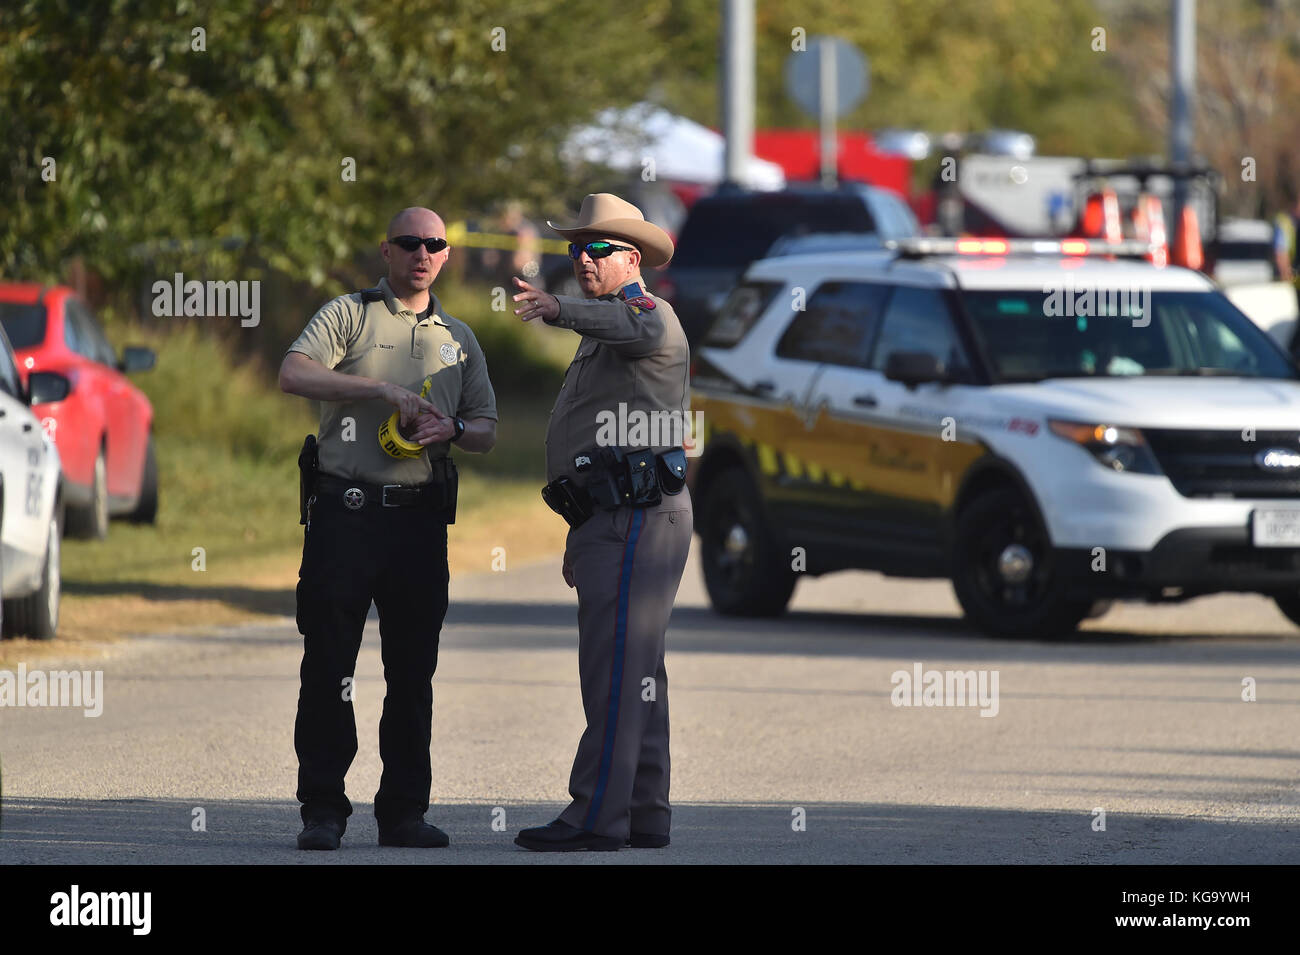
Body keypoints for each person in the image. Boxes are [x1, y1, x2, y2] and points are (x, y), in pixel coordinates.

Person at [278, 207, 498, 850]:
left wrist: (452, 429)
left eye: (433, 244)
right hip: (344, 518)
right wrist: (378, 389)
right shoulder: (349, 314)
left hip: (417, 523)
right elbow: (293, 372)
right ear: (387, 251)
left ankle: (403, 812)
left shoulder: (459, 336)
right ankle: (322, 809)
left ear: (446, 256)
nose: (421, 253)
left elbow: (486, 428)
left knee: (412, 672)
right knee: (329, 666)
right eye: (409, 243)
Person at [510, 193, 692, 851]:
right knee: (639, 667)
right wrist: (577, 525)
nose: (582, 259)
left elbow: (637, 328)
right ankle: (644, 809)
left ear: (632, 258)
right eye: (574, 249)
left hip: (639, 512)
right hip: (611, 516)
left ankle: (595, 815)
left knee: (615, 667)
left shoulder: (647, 314)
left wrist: (557, 308)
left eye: (597, 248)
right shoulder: (606, 327)